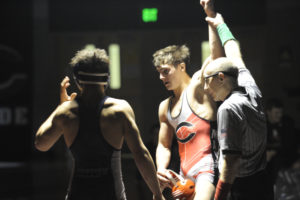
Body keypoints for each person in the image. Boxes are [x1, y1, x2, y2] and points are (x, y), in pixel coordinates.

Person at [34, 48, 164, 200]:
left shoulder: (66, 113)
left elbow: (41, 144)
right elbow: (140, 154)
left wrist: (61, 107)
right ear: (107, 79)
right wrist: (157, 194)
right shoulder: (120, 110)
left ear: (77, 79)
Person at [153, 1, 224, 199]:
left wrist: (211, 18)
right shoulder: (164, 107)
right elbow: (164, 145)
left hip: (207, 170)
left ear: (182, 67)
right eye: (159, 73)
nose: (161, 78)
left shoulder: (198, 86)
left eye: (165, 72)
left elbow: (216, 58)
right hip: (184, 174)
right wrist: (161, 168)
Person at [202, 12, 273, 200]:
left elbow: (231, 161)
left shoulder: (228, 108)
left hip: (243, 187)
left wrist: (219, 196)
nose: (204, 87)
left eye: (206, 81)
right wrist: (220, 24)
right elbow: (234, 52)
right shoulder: (250, 86)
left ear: (221, 78)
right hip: (264, 182)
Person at [265, 98, 298, 188]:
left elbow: (291, 145)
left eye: (281, 113)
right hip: (268, 165)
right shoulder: (261, 126)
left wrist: (295, 161)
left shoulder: (287, 123)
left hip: (286, 161)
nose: (279, 116)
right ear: (268, 112)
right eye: (276, 113)